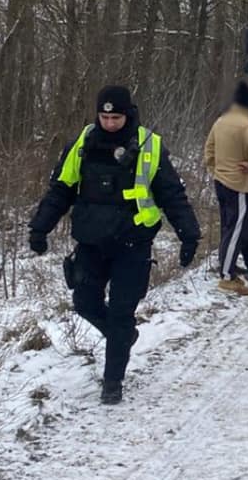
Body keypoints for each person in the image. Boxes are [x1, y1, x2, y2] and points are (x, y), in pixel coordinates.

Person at [28, 84, 201, 405]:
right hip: (91, 243)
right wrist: (40, 228)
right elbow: (60, 190)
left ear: (128, 114)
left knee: (121, 313)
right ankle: (122, 338)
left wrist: (189, 234)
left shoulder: (149, 146)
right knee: (84, 303)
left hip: (132, 245)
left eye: (116, 117)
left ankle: (112, 381)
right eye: (104, 116)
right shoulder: (82, 142)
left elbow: (172, 196)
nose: (109, 123)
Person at [204, 77, 248, 293]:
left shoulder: (221, 121)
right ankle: (227, 276)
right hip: (239, 185)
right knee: (237, 229)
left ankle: (228, 269)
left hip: (221, 181)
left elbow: (209, 151)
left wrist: (216, 169)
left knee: (228, 227)